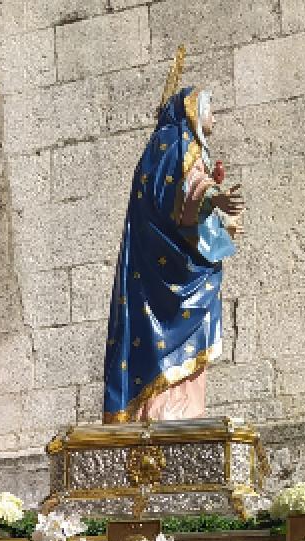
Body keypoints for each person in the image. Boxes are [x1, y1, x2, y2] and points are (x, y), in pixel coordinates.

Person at [103, 72, 245, 423]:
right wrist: (214, 198)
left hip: (173, 268)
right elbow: (181, 191)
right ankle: (167, 412)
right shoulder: (176, 142)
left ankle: (175, 411)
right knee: (170, 336)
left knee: (183, 343)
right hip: (169, 276)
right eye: (211, 108)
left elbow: (182, 204)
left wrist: (220, 217)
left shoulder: (175, 146)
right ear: (193, 110)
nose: (216, 117)